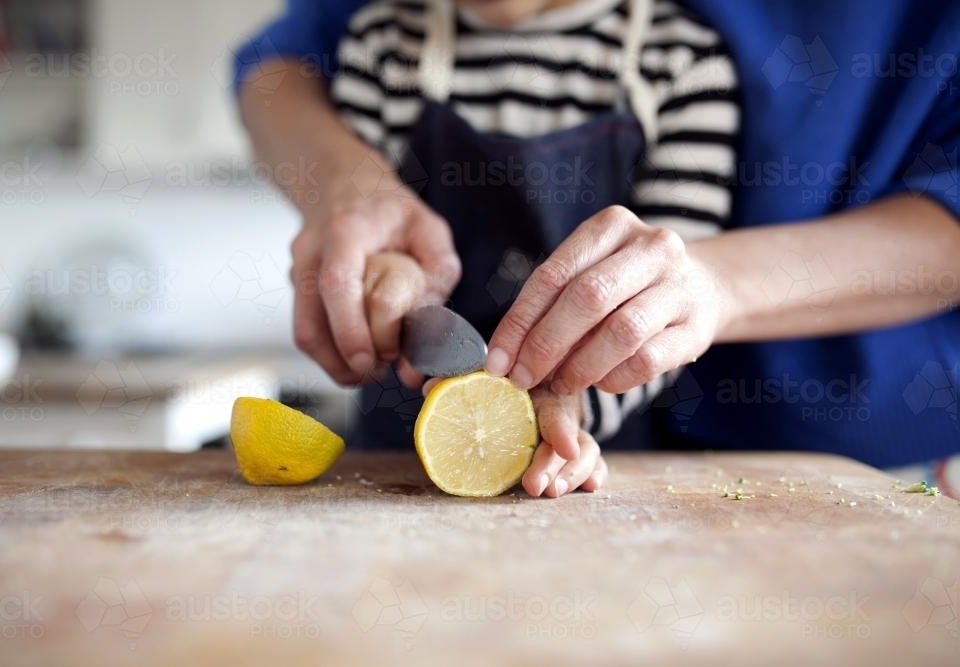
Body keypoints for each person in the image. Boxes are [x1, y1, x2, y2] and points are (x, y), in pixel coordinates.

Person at [237, 0, 960, 496]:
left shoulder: (678, 60)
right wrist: (378, 277)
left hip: (641, 452)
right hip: (390, 453)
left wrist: (574, 404)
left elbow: (658, 297)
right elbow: (280, 70)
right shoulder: (382, 41)